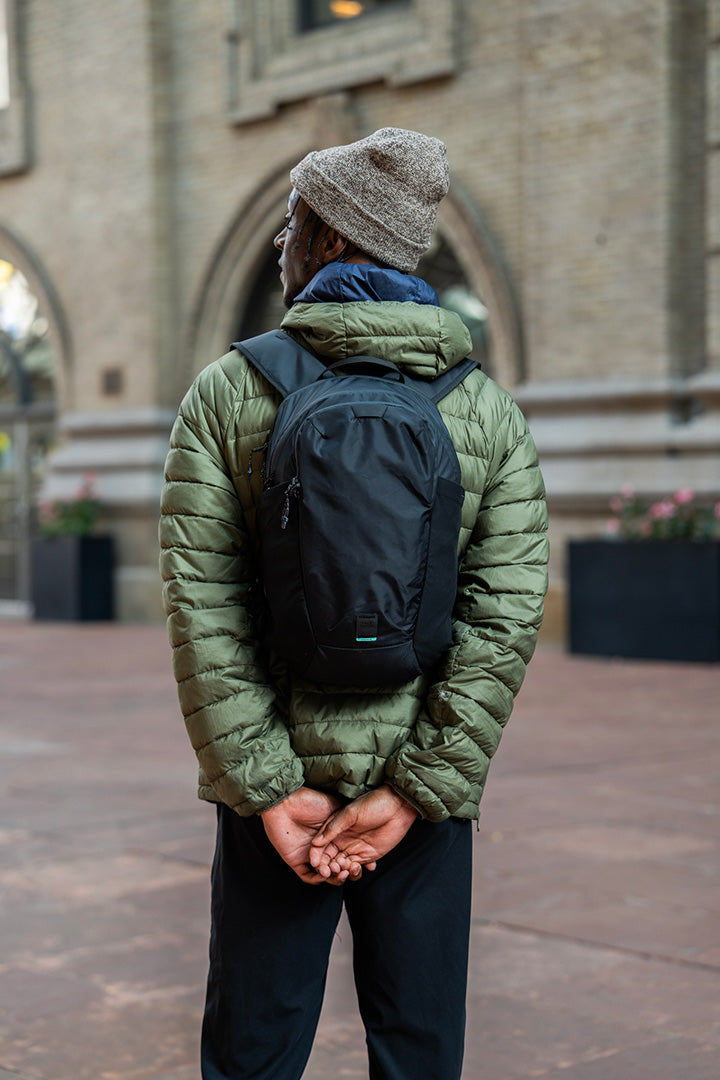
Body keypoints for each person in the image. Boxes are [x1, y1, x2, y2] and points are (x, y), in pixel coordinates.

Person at [160, 127, 548, 1080]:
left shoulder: (228, 391)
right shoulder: (485, 409)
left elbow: (203, 605)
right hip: (421, 790)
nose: (278, 240)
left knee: (253, 1050)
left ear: (327, 235)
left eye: (293, 217)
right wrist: (418, 789)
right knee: (417, 1049)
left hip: (276, 783)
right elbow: (504, 619)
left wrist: (267, 787)